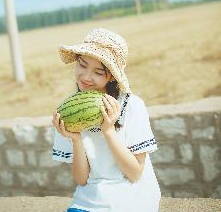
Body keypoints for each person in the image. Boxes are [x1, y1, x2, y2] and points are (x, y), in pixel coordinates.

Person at [52, 28, 161, 212]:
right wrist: (75, 139)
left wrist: (109, 131)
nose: (86, 77)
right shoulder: (68, 111)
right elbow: (81, 180)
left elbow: (135, 174)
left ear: (111, 75)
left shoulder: (132, 105)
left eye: (98, 72)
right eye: (82, 64)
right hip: (87, 203)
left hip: (132, 201)